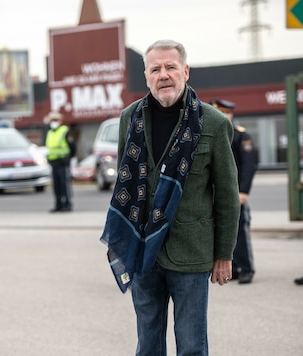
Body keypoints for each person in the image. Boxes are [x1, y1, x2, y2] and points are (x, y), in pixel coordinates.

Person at [100, 40, 240, 355]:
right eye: (155, 69)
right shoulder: (129, 118)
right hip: (142, 248)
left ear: (185, 72)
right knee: (147, 345)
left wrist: (224, 254)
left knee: (191, 345)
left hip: (190, 252)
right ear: (147, 76)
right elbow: (124, 181)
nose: (163, 75)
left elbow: (228, 195)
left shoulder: (214, 123)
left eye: (170, 67)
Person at [210, 99, 258, 284]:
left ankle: (246, 268)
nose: (222, 117)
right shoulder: (212, 134)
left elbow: (249, 165)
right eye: (218, 113)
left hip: (236, 194)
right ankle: (234, 268)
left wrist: (244, 191)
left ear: (231, 114)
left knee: (240, 232)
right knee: (222, 232)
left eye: (225, 113)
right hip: (216, 194)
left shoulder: (240, 136)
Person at [44, 111, 76, 212]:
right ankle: (58, 205)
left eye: (55, 120)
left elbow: (72, 147)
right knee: (56, 186)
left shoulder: (64, 131)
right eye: (52, 120)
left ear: (60, 120)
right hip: (54, 163)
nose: (53, 122)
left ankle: (67, 204)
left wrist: (69, 158)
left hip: (63, 162)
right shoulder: (49, 132)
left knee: (65, 184)